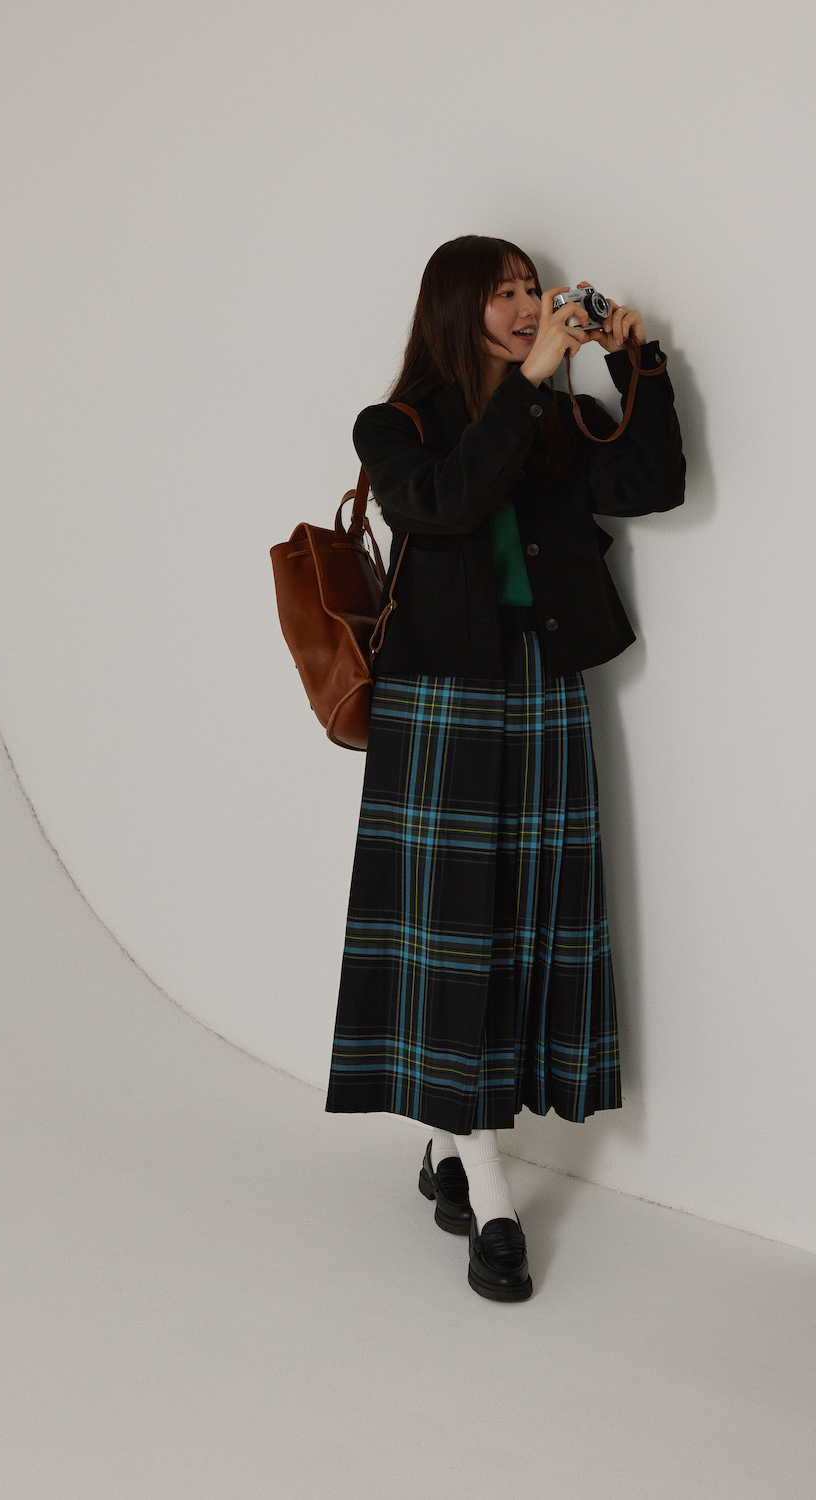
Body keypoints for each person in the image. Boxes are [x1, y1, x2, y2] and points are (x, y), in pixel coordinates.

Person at [324, 235, 685, 1301]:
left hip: (542, 685)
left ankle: (445, 1146)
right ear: (455, 309)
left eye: (532, 288)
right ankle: (487, 1191)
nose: (527, 306)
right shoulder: (394, 424)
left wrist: (636, 363)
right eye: (503, 294)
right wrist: (529, 388)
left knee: (522, 923)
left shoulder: (555, 420)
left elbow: (652, 482)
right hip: (440, 700)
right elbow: (439, 506)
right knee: (454, 934)